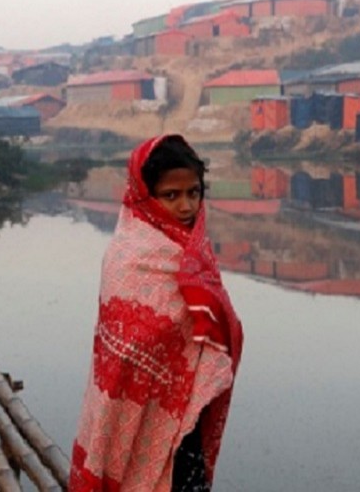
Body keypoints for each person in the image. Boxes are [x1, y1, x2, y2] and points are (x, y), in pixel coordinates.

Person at [70, 134, 244, 492]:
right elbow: (125, 353)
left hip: (186, 419)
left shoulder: (195, 252)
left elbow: (211, 325)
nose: (186, 207)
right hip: (133, 410)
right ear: (143, 196)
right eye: (171, 195)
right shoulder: (129, 256)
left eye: (194, 193)